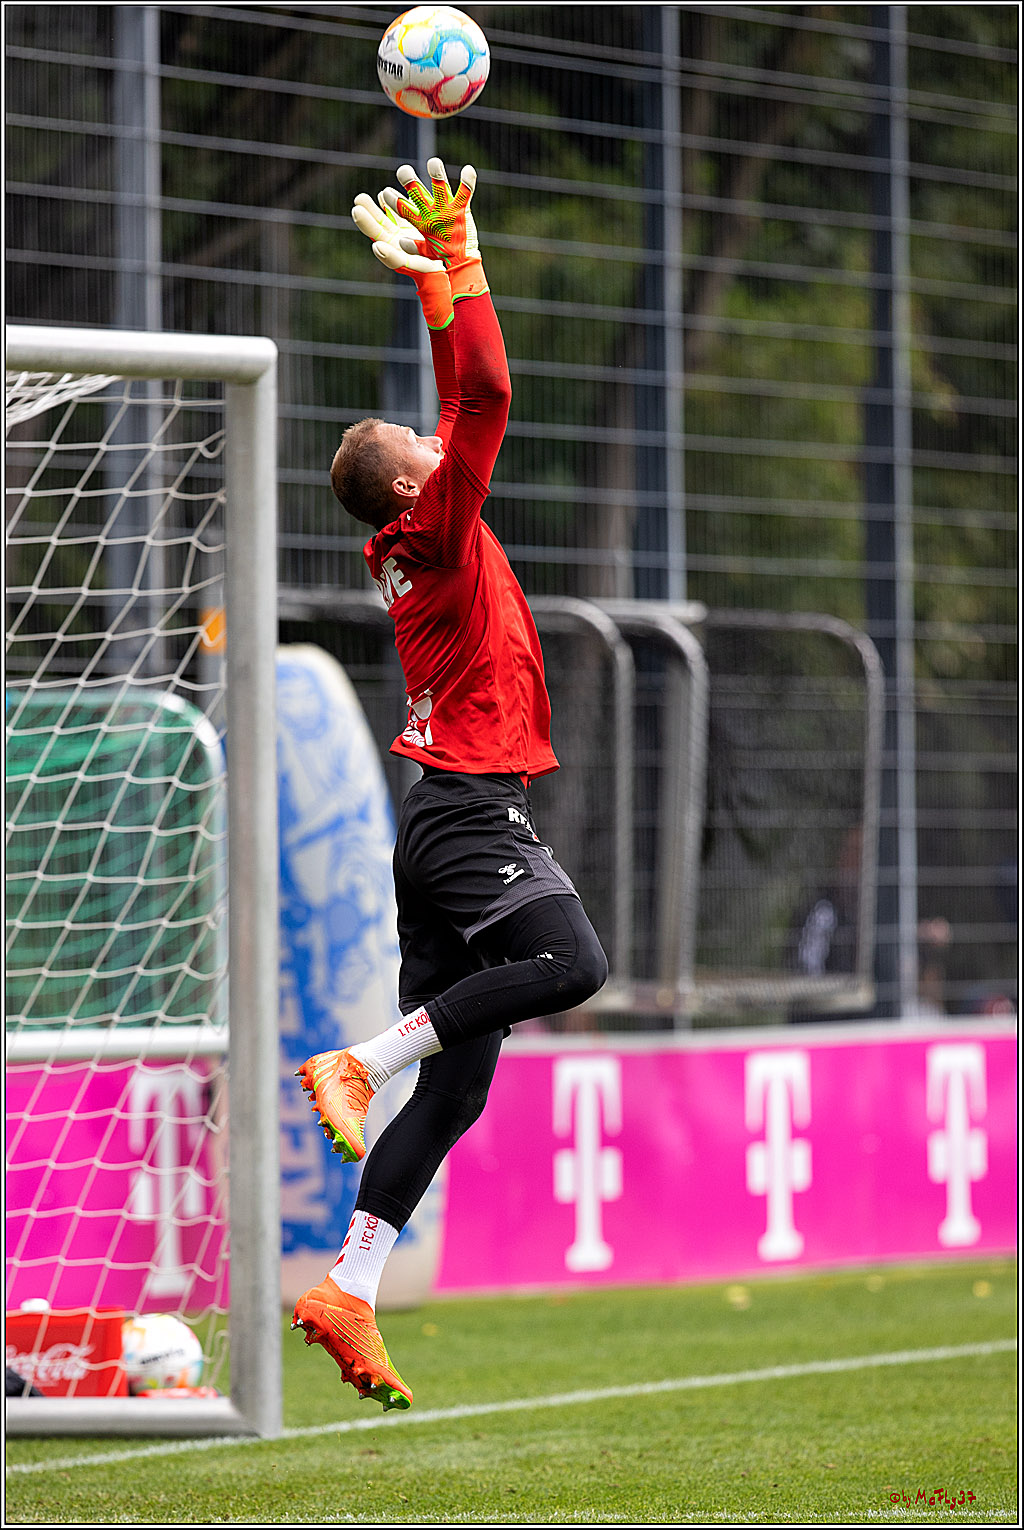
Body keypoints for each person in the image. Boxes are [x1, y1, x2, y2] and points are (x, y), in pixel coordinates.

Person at [291, 159, 608, 1412]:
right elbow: (490, 392)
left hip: (435, 814)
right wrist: (465, 261)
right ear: (417, 483)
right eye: (427, 447)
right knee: (572, 962)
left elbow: (458, 399)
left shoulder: (417, 528)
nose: (442, 438)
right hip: (468, 810)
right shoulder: (437, 520)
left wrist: (433, 291)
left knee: (464, 1080)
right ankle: (362, 1061)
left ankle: (349, 1286)